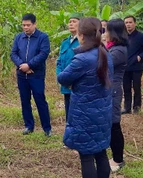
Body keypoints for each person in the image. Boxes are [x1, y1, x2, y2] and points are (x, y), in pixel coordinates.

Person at [57, 17, 113, 178]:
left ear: (81, 35)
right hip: (103, 112)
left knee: (86, 156)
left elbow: (63, 78)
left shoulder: (82, 59)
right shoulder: (106, 54)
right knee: (101, 152)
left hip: (85, 114)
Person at [11, 13, 52, 136]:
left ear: (35, 24)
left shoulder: (42, 37)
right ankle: (29, 126)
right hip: (22, 75)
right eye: (23, 25)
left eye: (28, 25)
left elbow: (43, 53)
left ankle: (47, 128)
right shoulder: (19, 37)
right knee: (25, 100)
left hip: (36, 74)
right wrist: (22, 65)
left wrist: (29, 65)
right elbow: (13, 54)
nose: (25, 27)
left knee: (40, 100)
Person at [105, 19, 128, 172]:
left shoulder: (118, 50)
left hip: (113, 91)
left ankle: (118, 159)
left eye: (106, 30)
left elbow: (103, 64)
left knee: (114, 125)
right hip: (109, 90)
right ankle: (115, 157)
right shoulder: (113, 48)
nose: (104, 34)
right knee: (111, 124)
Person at [123, 15, 143, 114]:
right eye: (126, 23)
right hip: (125, 67)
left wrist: (140, 56)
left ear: (135, 23)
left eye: (130, 22)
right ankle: (127, 108)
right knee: (126, 88)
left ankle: (137, 108)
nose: (128, 24)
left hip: (137, 67)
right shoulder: (123, 37)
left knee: (136, 87)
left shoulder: (141, 36)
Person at [56, 12, 82, 123]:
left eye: (74, 21)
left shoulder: (83, 42)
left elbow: (82, 64)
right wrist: (61, 77)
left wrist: (72, 80)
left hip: (77, 84)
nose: (71, 24)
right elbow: (59, 62)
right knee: (68, 111)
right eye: (70, 22)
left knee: (79, 112)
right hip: (65, 83)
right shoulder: (65, 43)